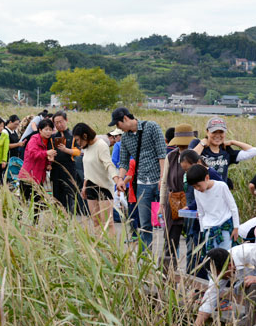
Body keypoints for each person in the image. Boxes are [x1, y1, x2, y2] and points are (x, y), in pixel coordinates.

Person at [194, 244, 256, 326]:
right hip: (254, 281)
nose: (220, 278)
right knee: (241, 286)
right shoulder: (219, 269)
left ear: (230, 266)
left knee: (252, 283)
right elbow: (210, 298)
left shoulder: (247, 252)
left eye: (221, 275)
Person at [112, 107, 167, 251]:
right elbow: (123, 162)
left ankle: (169, 257)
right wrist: (120, 180)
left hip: (158, 180)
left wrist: (163, 178)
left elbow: (162, 153)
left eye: (118, 125)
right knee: (145, 224)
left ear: (125, 119)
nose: (119, 129)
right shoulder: (125, 138)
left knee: (167, 223)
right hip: (141, 183)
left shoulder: (152, 127)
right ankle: (145, 258)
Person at [179, 149, 223, 275]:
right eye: (185, 171)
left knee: (201, 252)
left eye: (188, 169)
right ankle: (192, 280)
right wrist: (191, 207)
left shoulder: (212, 175)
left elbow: (219, 197)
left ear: (198, 162)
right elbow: (199, 198)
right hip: (198, 221)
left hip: (210, 222)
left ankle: (199, 281)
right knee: (193, 250)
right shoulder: (195, 177)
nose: (187, 173)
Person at [159, 123, 195, 270]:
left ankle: (192, 273)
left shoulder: (196, 155)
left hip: (192, 201)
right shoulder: (171, 156)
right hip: (173, 200)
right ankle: (168, 273)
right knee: (170, 239)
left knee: (192, 240)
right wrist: (162, 204)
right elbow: (165, 181)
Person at [73, 122, 118, 235]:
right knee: (96, 221)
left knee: (108, 222)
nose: (78, 143)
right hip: (90, 186)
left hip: (104, 187)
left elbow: (109, 164)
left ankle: (111, 250)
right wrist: (84, 187)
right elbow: (87, 170)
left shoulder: (101, 145)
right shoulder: (86, 147)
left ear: (85, 136)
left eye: (78, 140)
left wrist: (117, 179)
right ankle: (99, 248)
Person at [191, 116, 256, 186]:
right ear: (207, 132)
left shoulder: (227, 151)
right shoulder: (197, 144)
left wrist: (232, 142)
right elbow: (189, 159)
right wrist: (202, 144)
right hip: (202, 192)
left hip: (220, 192)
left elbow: (254, 151)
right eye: (214, 132)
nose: (217, 135)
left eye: (221, 132)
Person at [187, 164, 240, 252]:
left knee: (226, 255)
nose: (197, 188)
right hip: (209, 228)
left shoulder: (221, 186)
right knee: (210, 257)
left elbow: (233, 207)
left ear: (207, 178)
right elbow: (200, 212)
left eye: (198, 185)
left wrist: (236, 227)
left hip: (224, 226)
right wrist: (202, 230)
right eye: (194, 187)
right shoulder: (197, 192)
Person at [18, 119, 57, 221]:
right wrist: (46, 153)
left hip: (39, 176)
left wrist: (49, 163)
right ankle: (17, 221)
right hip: (28, 175)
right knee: (23, 200)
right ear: (40, 130)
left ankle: (35, 224)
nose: (48, 132)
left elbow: (44, 157)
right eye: (46, 129)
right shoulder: (34, 139)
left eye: (50, 130)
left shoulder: (49, 141)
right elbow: (32, 153)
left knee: (37, 202)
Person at [49, 111, 80, 213]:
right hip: (55, 169)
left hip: (69, 169)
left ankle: (69, 218)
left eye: (60, 122)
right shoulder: (53, 137)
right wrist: (50, 159)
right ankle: (57, 219)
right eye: (56, 123)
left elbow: (78, 151)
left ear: (66, 120)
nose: (58, 125)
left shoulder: (73, 135)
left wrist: (66, 150)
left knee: (69, 196)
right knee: (56, 197)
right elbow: (49, 152)